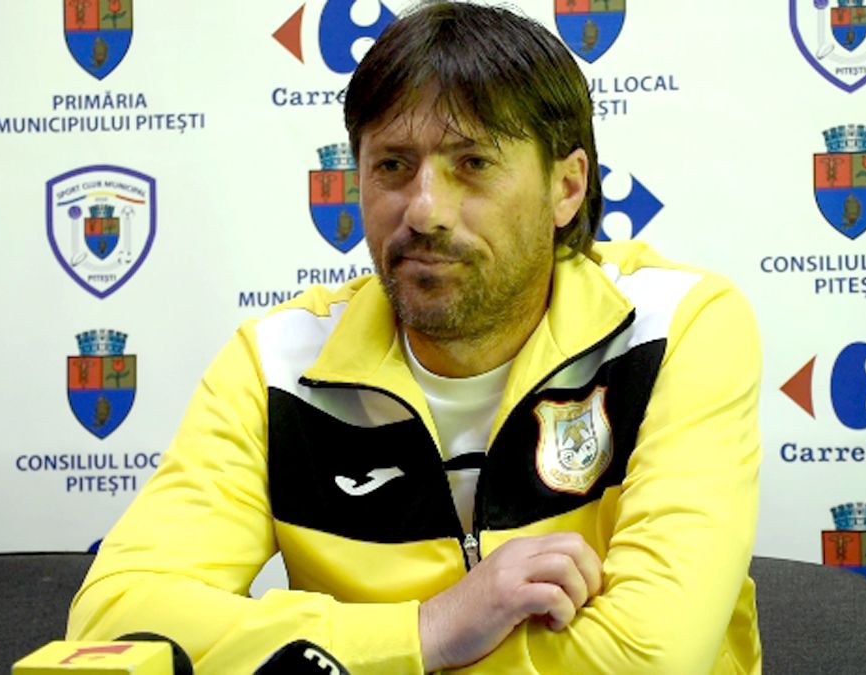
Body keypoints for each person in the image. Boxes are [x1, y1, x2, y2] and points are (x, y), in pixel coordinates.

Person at [67, 3, 762, 673]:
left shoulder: (676, 326)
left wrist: (361, 658)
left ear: (567, 187)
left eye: (473, 163)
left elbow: (652, 656)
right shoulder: (276, 365)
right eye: (393, 166)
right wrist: (430, 630)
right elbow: (115, 624)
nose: (425, 211)